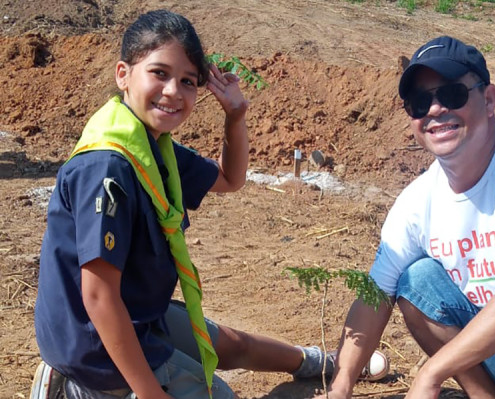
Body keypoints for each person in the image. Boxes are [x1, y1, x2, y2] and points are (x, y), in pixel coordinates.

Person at [32, 9, 386, 399]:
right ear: (123, 74)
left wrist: (236, 115)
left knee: (231, 346)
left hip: (138, 315)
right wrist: (152, 394)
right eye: (159, 73)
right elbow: (98, 296)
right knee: (220, 392)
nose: (173, 91)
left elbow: (231, 179)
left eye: (188, 81)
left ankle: (324, 362)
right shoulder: (107, 167)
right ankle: (75, 389)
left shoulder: (151, 147)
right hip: (96, 349)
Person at [317, 35, 495, 399]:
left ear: (489, 99)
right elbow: (375, 295)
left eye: (452, 95)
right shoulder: (417, 200)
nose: (434, 110)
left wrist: (431, 373)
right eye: (420, 103)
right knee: (415, 281)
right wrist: (340, 387)